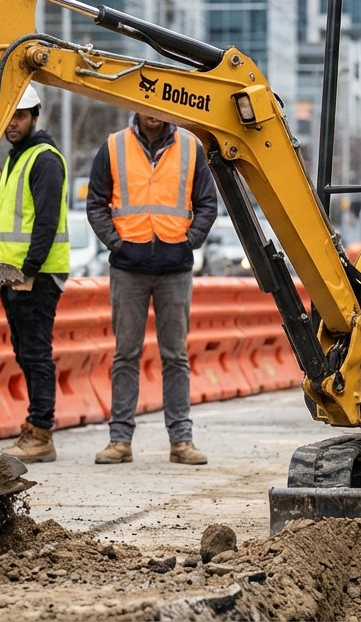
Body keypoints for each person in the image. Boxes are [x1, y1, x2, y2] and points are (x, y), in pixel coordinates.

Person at [86, 112, 217, 465]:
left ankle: (181, 441)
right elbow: (96, 204)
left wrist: (188, 243)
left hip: (175, 268)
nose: (153, 112)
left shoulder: (190, 147)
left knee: (175, 355)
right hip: (128, 266)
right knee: (125, 354)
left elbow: (208, 203)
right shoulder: (114, 146)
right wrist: (117, 244)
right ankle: (120, 440)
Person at [0, 85, 70, 463]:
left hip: (35, 276)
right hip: (16, 276)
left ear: (34, 117)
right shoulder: (15, 158)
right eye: (9, 115)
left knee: (37, 354)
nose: (12, 123)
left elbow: (46, 220)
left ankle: (41, 432)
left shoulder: (43, 158)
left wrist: (28, 271)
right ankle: (35, 427)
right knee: (25, 353)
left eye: (20, 116)